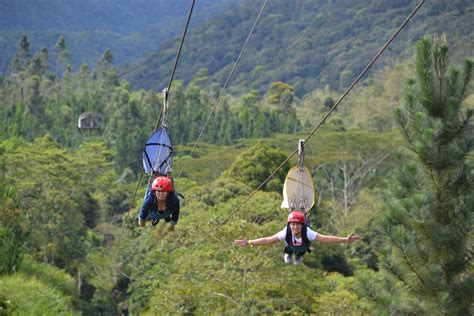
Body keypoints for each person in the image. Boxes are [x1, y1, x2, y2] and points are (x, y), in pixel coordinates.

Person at [234, 211, 360, 265]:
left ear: (302, 225)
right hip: (289, 246)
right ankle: (289, 255)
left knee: (301, 251)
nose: (295, 227)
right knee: (288, 255)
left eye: (297, 225)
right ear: (290, 225)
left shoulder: (308, 232)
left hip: (302, 247)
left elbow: (325, 239)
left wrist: (344, 239)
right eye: (293, 225)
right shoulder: (286, 232)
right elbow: (268, 240)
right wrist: (249, 242)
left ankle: (299, 255)